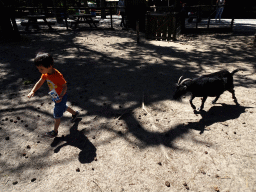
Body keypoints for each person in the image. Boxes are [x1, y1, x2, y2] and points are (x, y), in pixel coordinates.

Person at [27, 52, 79, 138]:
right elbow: (40, 82)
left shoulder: (58, 76)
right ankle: (75, 114)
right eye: (38, 69)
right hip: (55, 95)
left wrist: (61, 97)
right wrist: (33, 91)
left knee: (57, 115)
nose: (40, 71)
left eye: (41, 69)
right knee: (62, 106)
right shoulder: (46, 74)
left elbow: (65, 87)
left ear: (50, 66)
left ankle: (55, 131)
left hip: (60, 96)